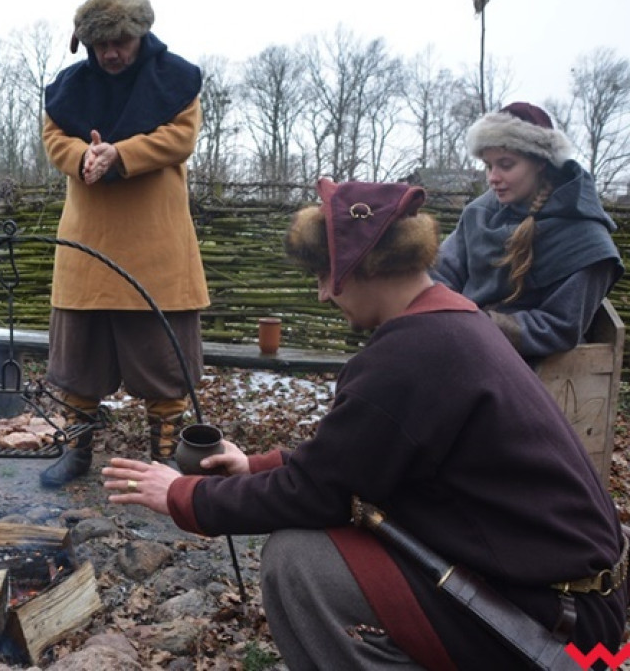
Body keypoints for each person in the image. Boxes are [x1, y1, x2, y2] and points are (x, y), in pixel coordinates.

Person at [103, 178, 628, 669]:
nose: (322, 294)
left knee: (296, 560)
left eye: (324, 274)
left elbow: (317, 494)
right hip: (568, 602)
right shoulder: (451, 323)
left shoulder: (415, 352)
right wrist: (252, 465)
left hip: (555, 628)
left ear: (362, 265)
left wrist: (183, 495)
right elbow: (355, 463)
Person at [38, 0, 209, 488]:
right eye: (100, 44)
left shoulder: (175, 80)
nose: (111, 53)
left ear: (140, 34)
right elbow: (54, 137)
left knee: (163, 360)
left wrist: (121, 154)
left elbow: (181, 137)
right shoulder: (68, 87)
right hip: (87, 244)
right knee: (79, 360)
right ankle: (76, 452)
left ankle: (165, 456)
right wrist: (82, 157)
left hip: (155, 244)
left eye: (121, 41)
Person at [433, 101, 622, 361]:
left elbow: (559, 326)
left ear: (540, 163)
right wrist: (443, 314)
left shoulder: (586, 240)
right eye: (489, 166)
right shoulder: (479, 214)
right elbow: (441, 273)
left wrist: (479, 325)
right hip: (461, 345)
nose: (493, 177)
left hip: (534, 372)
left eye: (506, 164)